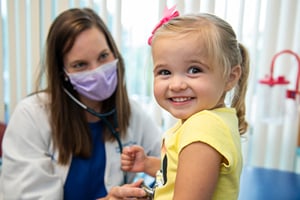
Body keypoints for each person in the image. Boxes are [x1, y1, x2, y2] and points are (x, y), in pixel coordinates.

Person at [0, 8, 162, 200]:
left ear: (115, 53)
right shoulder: (31, 116)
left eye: (103, 56)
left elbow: (171, 164)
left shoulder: (132, 113)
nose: (97, 71)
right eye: (80, 65)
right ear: (63, 73)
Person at [121, 9, 250, 200]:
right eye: (165, 72)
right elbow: (183, 173)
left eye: (194, 70)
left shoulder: (203, 128)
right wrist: (148, 164)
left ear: (230, 77)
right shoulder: (212, 119)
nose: (177, 85)